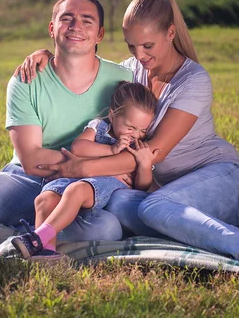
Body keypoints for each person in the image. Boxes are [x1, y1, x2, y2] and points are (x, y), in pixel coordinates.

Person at [16, 0, 239, 270]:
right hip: (162, 192)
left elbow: (155, 153)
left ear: (171, 33)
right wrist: (46, 54)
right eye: (131, 46)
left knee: (155, 207)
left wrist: (80, 167)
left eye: (148, 45)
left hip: (221, 180)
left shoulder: (193, 80)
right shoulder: (133, 71)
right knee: (120, 204)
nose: (140, 55)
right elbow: (85, 62)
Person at [0, 0, 133, 245]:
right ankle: (26, 226)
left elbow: (134, 152)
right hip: (26, 179)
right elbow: (31, 159)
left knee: (105, 231)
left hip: (84, 185)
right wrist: (106, 164)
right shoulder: (26, 79)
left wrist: (87, 170)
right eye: (66, 18)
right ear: (52, 28)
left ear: (100, 34)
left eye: (86, 20)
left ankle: (25, 231)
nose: (76, 27)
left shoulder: (122, 80)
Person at [11, 81, 159, 260]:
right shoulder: (99, 127)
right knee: (44, 199)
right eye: (131, 127)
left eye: (143, 130)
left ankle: (37, 238)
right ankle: (46, 253)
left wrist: (144, 164)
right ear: (112, 116)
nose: (136, 134)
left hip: (104, 185)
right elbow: (78, 148)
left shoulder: (136, 147)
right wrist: (111, 150)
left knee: (77, 190)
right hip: (74, 178)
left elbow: (141, 187)